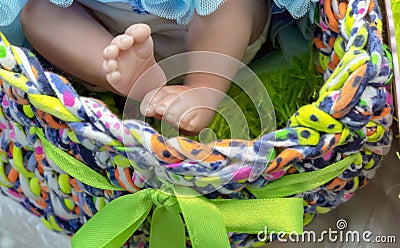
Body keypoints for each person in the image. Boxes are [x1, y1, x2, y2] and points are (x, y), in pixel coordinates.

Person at [20, 0, 270, 134]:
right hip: (108, 30)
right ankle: (129, 76)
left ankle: (204, 86)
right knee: (39, 12)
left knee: (232, 2)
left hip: (209, 39)